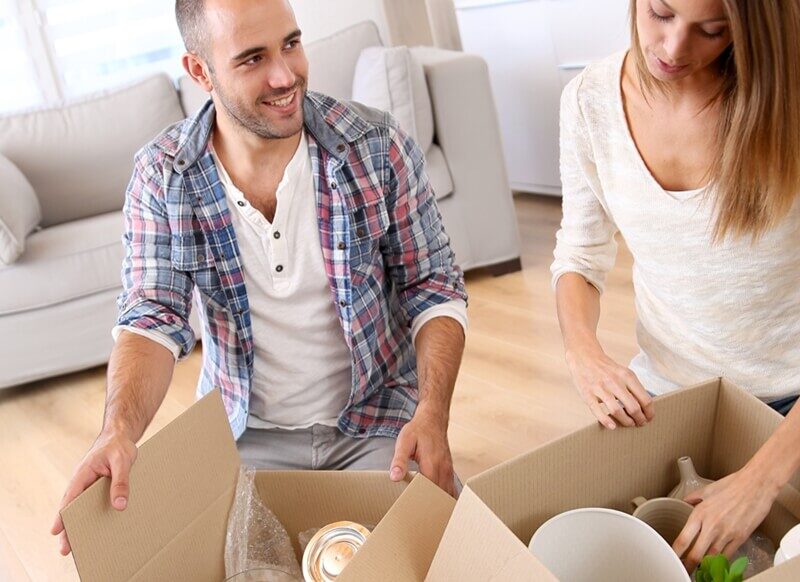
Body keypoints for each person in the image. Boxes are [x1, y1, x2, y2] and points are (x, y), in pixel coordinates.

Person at [51, 0, 468, 556]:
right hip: (244, 441)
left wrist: (432, 415)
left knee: (445, 558)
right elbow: (152, 318)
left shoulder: (377, 146)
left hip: (378, 424)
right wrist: (117, 432)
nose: (284, 76)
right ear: (201, 72)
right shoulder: (163, 176)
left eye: (291, 44)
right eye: (252, 59)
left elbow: (433, 287)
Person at [552, 0, 800, 572]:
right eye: (660, 13)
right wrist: (583, 351)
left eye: (711, 31)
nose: (672, 49)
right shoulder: (589, 101)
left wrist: (759, 482)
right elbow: (579, 254)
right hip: (665, 391)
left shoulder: (787, 106)